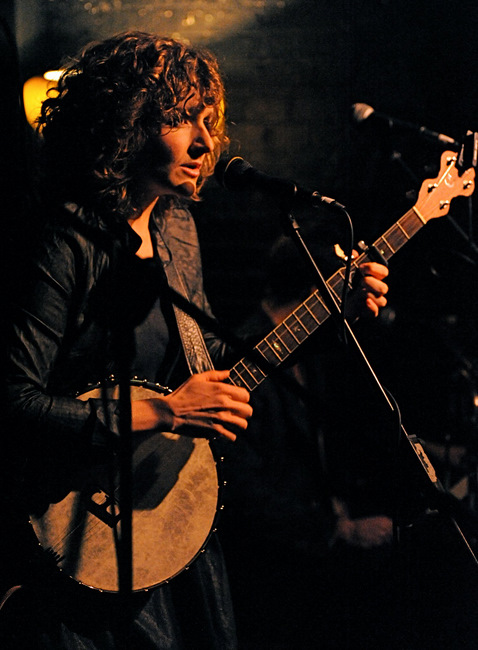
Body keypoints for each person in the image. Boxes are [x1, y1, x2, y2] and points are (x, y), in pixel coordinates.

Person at [0, 31, 389, 649]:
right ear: (121, 123)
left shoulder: (177, 225)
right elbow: (12, 402)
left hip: (168, 530)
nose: (207, 144)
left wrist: (324, 320)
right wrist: (166, 410)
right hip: (73, 546)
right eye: (183, 119)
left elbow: (214, 370)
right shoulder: (63, 239)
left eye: (210, 122)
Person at [218, 225, 395, 649]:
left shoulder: (305, 354)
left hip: (302, 561)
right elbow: (242, 486)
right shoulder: (244, 355)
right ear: (318, 295)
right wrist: (341, 529)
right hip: (267, 578)